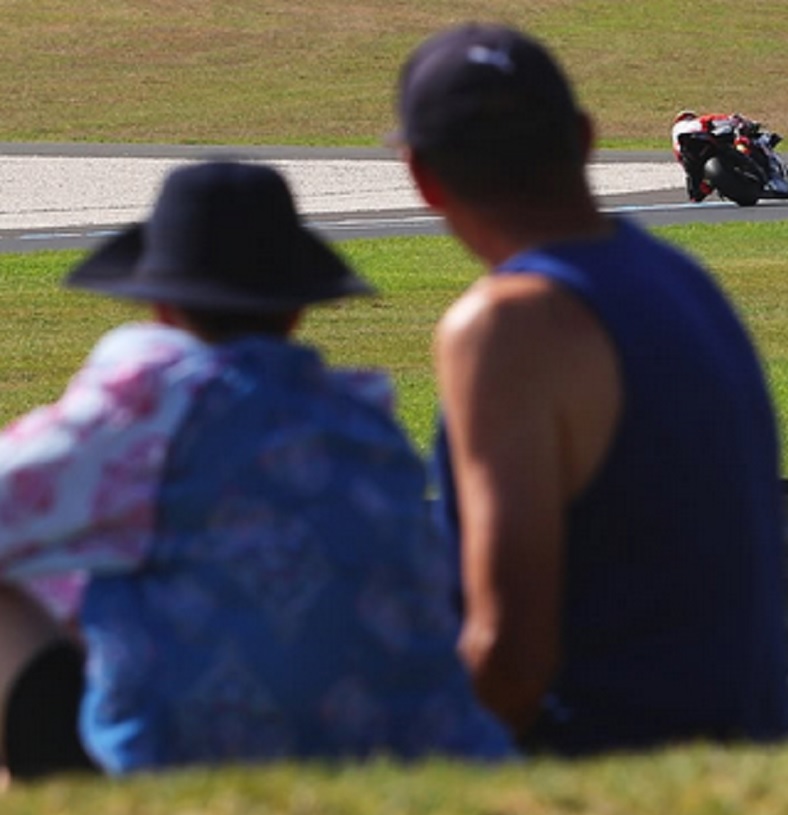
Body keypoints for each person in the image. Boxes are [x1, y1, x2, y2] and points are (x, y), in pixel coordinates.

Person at [0, 161, 513, 779]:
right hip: (410, 758)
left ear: (160, 307)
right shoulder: (365, 420)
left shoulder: (149, 413)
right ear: (296, 311)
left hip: (181, 767)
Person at [391, 24, 788, 755]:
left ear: (422, 177)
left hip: (605, 770)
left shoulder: (508, 325)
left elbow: (510, 663)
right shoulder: (687, 282)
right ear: (582, 139)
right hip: (743, 758)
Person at [670, 110, 783, 202]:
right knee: (731, 151)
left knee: (695, 194)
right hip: (707, 145)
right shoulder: (697, 122)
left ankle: (708, 186)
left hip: (689, 157)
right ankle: (758, 173)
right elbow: (722, 119)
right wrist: (743, 122)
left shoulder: (676, 138)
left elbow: (682, 161)